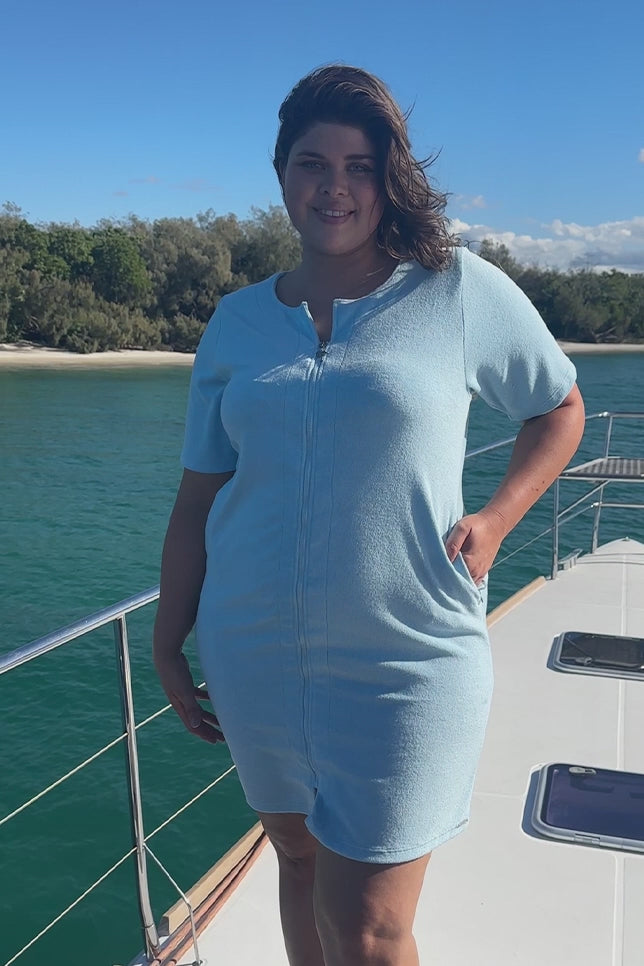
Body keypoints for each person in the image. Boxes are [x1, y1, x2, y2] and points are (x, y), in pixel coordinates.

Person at [153, 64, 585, 966]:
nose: (333, 185)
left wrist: (498, 519)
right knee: (300, 866)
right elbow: (199, 497)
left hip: (408, 653)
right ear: (281, 175)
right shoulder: (235, 323)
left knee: (369, 930)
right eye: (312, 162)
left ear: (388, 178)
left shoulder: (456, 289)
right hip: (254, 653)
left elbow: (559, 408)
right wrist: (169, 634)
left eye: (358, 164)